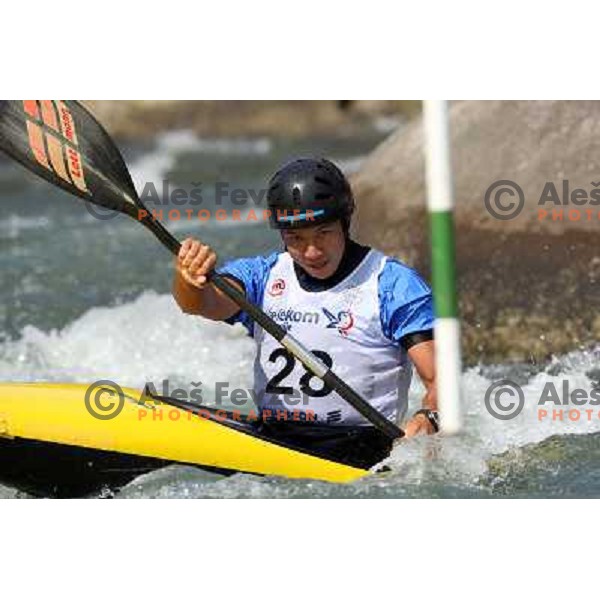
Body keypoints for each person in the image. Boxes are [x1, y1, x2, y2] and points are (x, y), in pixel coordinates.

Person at [173, 157, 438, 470]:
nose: (312, 252)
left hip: (363, 452)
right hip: (276, 441)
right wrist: (189, 278)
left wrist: (429, 417)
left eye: (323, 233)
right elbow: (199, 303)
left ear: (345, 220)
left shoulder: (392, 284)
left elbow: (440, 379)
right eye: (296, 238)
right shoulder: (263, 275)